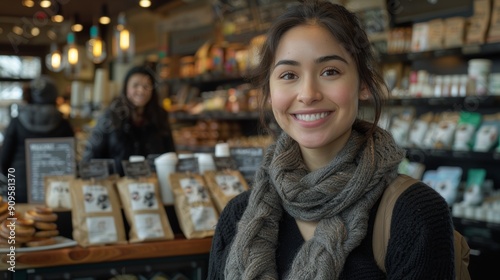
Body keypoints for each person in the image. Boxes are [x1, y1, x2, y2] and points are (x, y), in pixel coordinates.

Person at [207, 1, 455, 279]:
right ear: (268, 93)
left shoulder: (414, 214)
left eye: (330, 71)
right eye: (288, 75)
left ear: (362, 84)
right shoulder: (237, 216)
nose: (308, 93)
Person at [82, 65, 176, 176]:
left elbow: (170, 154)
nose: (141, 90)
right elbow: (91, 157)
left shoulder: (160, 116)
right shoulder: (111, 116)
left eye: (146, 86)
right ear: (126, 88)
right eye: (135, 85)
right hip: (118, 185)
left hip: (154, 185)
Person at [0, 76, 75, 203]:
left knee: (18, 221)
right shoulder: (63, 124)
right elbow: (70, 159)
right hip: (55, 190)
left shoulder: (17, 122)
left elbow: (4, 159)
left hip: (18, 187)